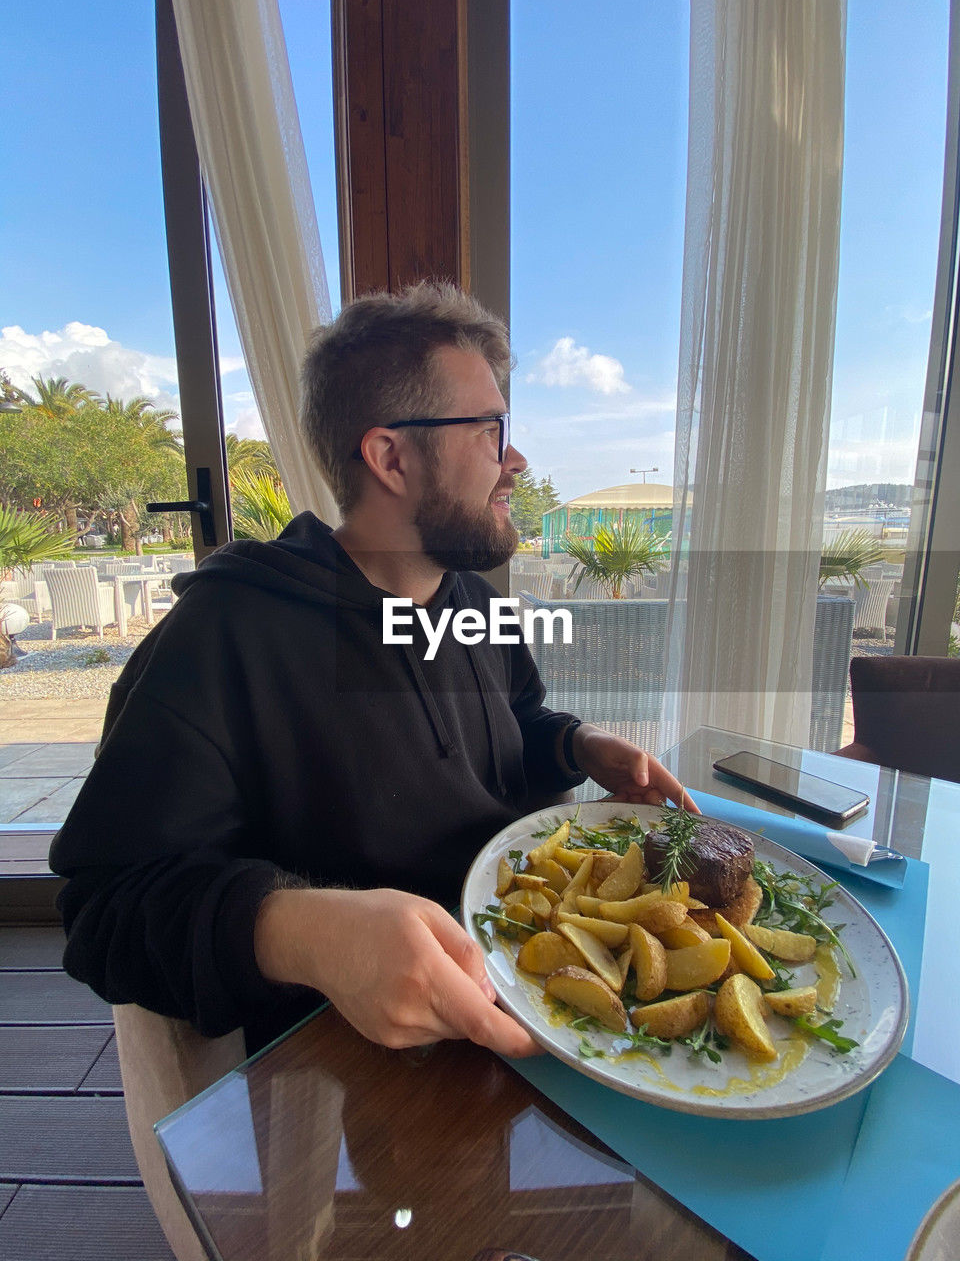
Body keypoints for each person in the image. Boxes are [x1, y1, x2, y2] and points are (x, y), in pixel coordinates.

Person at [49, 282, 695, 1058]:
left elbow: (513, 724)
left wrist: (581, 745)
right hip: (357, 1078)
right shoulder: (228, 633)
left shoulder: (470, 600)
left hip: (545, 994)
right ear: (389, 455)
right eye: (490, 430)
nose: (516, 459)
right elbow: (104, 911)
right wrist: (303, 931)